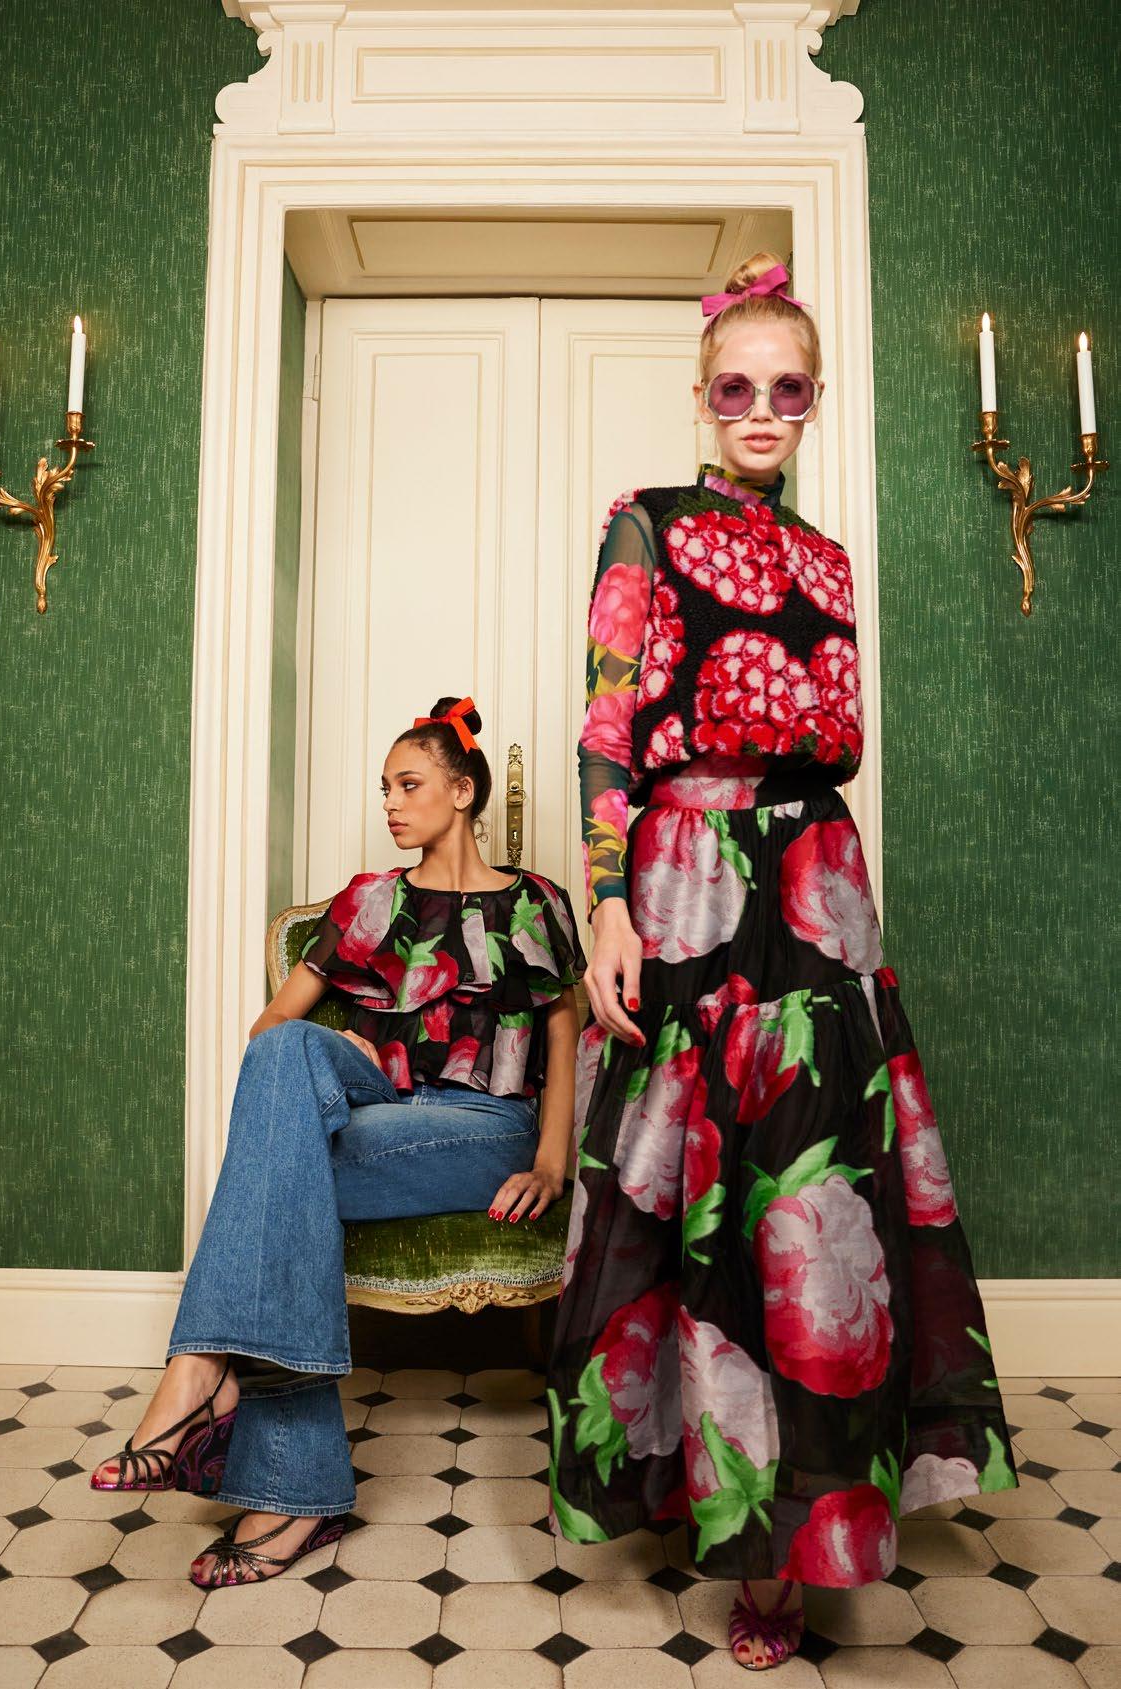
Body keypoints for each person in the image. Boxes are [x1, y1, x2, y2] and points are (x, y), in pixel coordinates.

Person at [545, 255, 1019, 1670]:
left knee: (818, 1192)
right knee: (688, 1178)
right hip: (684, 877)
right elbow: (607, 729)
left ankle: (803, 1542)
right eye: (737, 387)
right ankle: (709, 1506)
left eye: (787, 389)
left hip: (817, 878)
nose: (760, 410)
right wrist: (609, 902)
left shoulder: (828, 561)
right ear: (703, 397)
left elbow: (837, 737)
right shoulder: (644, 522)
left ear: (811, 402)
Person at [90, 695, 586, 1587]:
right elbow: (268, 1035)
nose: (390, 803)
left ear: (462, 791)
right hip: (381, 1106)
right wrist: (350, 1050)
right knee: (286, 1051)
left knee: (276, 1176)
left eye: (409, 784)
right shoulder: (369, 901)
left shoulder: (533, 901)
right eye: (384, 787)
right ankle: (258, 1442)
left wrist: (551, 1160)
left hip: (483, 1125)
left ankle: (220, 1393)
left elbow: (562, 1029)